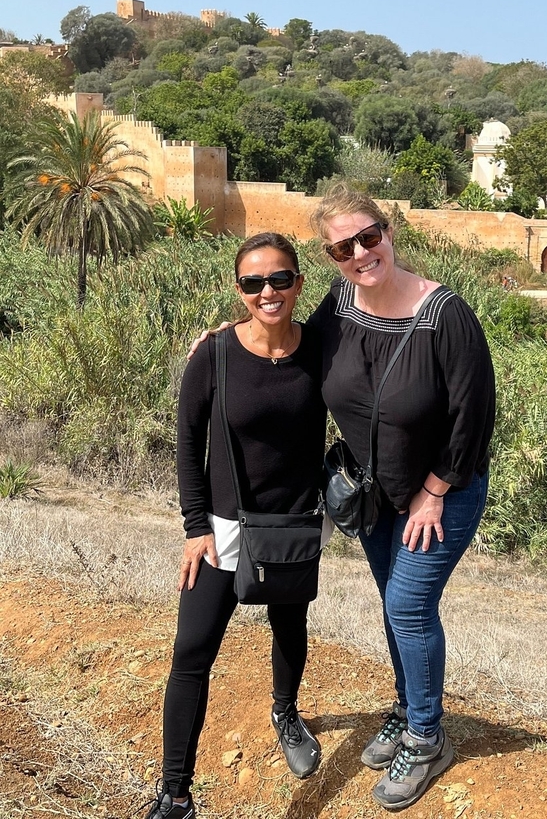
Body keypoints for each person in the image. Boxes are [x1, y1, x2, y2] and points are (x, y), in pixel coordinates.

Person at [190, 186, 496, 811]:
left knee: (409, 607)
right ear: (329, 258)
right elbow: (285, 334)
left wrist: (435, 491)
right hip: (374, 493)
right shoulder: (340, 303)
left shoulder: (444, 314)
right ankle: (409, 706)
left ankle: (427, 736)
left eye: (368, 237)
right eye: (343, 247)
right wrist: (228, 334)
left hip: (441, 492)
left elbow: (475, 416)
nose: (360, 253)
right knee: (393, 605)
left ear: (389, 232)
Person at [144, 233, 327, 819]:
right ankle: (175, 792)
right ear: (239, 290)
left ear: (299, 282)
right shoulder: (216, 354)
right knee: (192, 652)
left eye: (279, 279)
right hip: (222, 528)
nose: (268, 292)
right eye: (253, 283)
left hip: (292, 524)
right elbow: (188, 441)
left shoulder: (322, 350)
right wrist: (195, 526)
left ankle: (286, 712)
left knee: (288, 629)